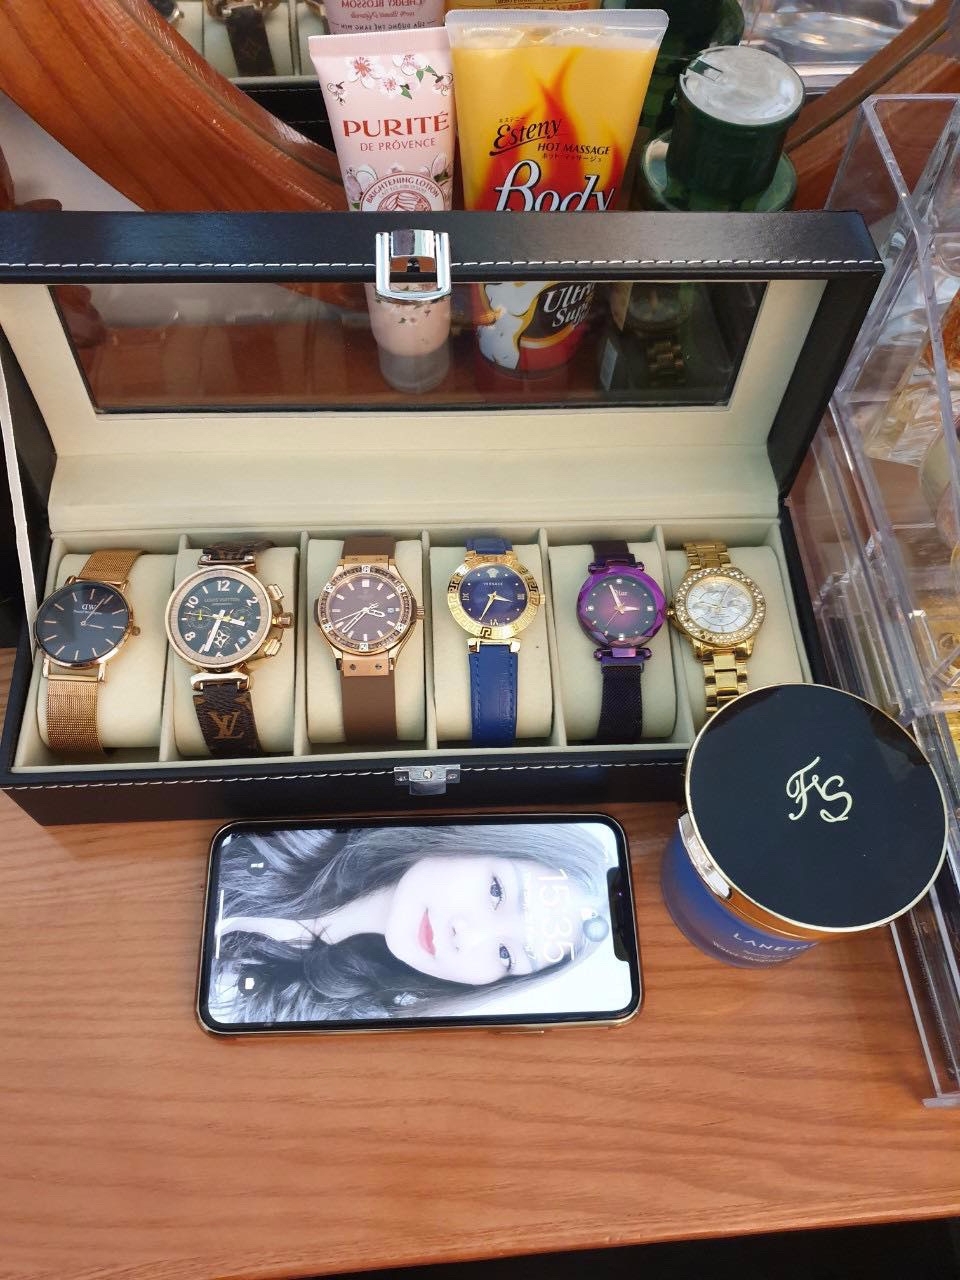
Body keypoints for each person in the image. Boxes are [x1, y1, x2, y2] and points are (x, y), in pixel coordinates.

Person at [209, 821, 613, 1024]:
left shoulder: (338, 1021)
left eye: (506, 954)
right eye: (496, 891)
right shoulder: (307, 826)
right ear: (480, 840)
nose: (469, 934)